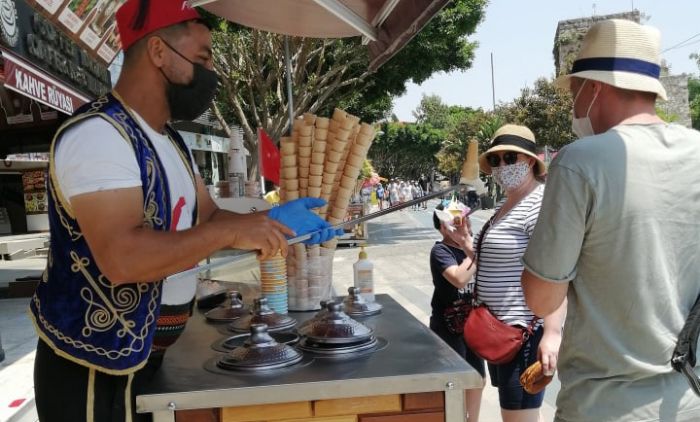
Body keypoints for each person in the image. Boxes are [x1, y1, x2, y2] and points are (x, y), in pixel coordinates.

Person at [29, 1, 340, 421]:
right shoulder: (100, 137)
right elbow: (123, 258)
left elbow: (206, 216)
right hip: (93, 370)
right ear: (159, 52)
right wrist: (230, 234)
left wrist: (271, 223)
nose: (212, 73)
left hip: (146, 359)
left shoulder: (171, 141)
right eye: (203, 58)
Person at [521, 19, 700, 422]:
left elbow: (542, 299)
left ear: (594, 87)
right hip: (689, 398)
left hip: (603, 406)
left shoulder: (581, 161)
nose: (574, 105)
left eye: (574, 91)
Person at [473, 124, 565, 422]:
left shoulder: (538, 204)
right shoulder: (507, 204)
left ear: (530, 161)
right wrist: (464, 242)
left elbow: (555, 271)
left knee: (518, 416)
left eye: (510, 157)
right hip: (499, 332)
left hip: (524, 333)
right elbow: (498, 262)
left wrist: (552, 333)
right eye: (495, 159)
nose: (502, 165)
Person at [429, 202, 484, 421]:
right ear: (444, 227)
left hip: (475, 325)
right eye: (458, 221)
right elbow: (459, 278)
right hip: (448, 328)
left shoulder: (473, 247)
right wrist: (472, 251)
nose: (466, 225)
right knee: (454, 382)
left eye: (466, 219)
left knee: (477, 378)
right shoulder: (440, 251)